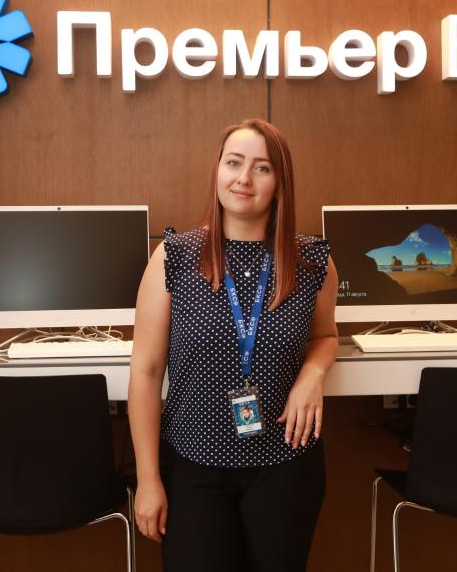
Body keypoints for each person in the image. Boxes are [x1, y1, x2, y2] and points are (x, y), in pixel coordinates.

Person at [128, 118, 338, 572]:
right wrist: (147, 479)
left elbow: (325, 337)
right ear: (217, 170)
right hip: (192, 467)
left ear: (279, 184)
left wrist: (313, 373)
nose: (244, 178)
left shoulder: (310, 261)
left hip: (286, 463)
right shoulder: (174, 257)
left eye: (262, 168)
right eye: (234, 163)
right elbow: (145, 371)